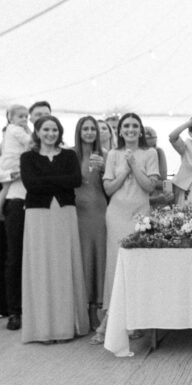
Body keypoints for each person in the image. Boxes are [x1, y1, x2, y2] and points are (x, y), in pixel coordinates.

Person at [19, 115, 89, 342]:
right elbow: (30, 184)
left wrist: (47, 180)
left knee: (63, 264)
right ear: (37, 132)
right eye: (46, 130)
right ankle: (42, 328)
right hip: (37, 214)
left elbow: (75, 180)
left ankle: (66, 326)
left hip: (64, 213)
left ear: (60, 133)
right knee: (41, 266)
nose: (51, 134)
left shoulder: (69, 155)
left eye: (55, 130)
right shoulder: (27, 157)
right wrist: (60, 179)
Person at [94, 112, 159, 343]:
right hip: (117, 214)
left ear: (140, 130)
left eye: (135, 126)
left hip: (140, 214)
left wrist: (134, 165)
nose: (131, 129)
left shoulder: (150, 153)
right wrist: (124, 168)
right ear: (119, 131)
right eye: (126, 126)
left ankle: (136, 319)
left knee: (137, 265)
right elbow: (109, 189)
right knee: (115, 265)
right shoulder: (112, 153)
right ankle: (110, 319)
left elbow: (150, 186)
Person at [2, 100, 52, 331]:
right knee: (16, 257)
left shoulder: (51, 144)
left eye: (46, 115)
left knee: (41, 258)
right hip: (18, 200)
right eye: (37, 115)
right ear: (30, 118)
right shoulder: (18, 139)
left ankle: (40, 308)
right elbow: (4, 172)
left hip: (45, 205)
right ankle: (15, 311)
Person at [73, 116, 108, 331]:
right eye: (85, 128)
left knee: (98, 257)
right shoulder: (70, 155)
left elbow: (110, 185)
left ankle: (97, 307)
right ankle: (81, 307)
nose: (88, 132)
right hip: (76, 211)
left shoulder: (104, 155)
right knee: (81, 257)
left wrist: (105, 169)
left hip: (99, 209)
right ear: (79, 131)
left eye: (92, 128)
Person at [0, 105, 32, 218]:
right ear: (11, 119)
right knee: (6, 188)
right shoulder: (16, 129)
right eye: (21, 116)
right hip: (13, 163)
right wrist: (29, 130)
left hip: (7, 162)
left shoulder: (9, 130)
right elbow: (29, 140)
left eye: (26, 117)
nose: (24, 119)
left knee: (6, 188)